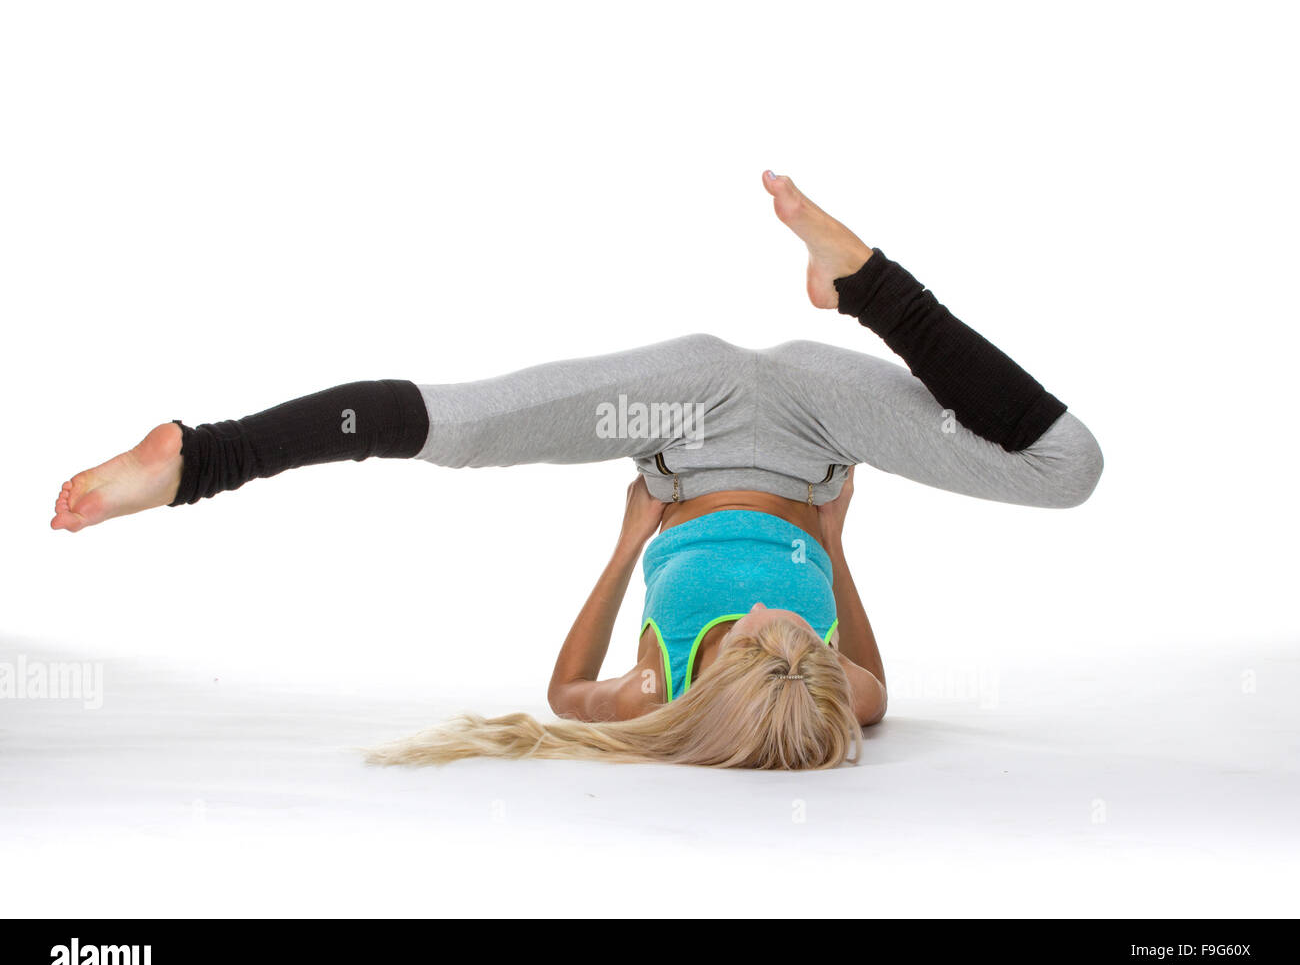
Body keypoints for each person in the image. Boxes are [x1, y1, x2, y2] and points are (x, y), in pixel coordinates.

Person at [50, 171, 1103, 770]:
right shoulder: (843, 703)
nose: (791, 639)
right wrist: (833, 542)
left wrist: (625, 545)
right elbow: (848, 627)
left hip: (679, 416)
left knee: (459, 426)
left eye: (766, 647)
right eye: (806, 650)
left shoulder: (660, 680)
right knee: (1066, 468)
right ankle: (861, 281)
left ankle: (197, 459)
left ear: (725, 671)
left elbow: (562, 689)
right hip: (821, 423)